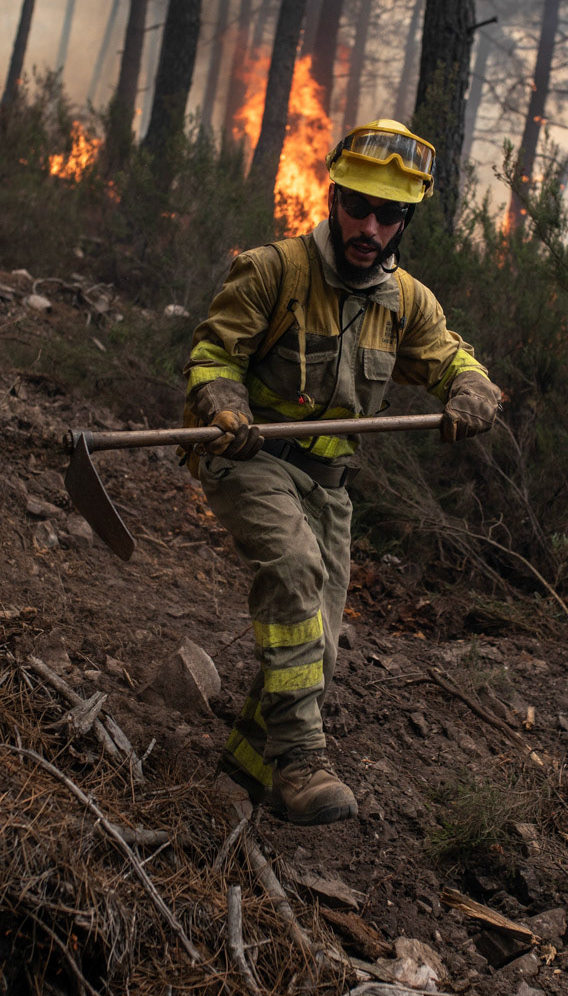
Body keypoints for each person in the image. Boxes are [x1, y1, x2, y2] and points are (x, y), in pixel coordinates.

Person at [183, 119, 503, 825]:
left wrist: (471, 388)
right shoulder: (274, 270)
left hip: (329, 487)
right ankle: (302, 762)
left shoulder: (406, 302)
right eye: (357, 205)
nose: (369, 225)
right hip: (253, 459)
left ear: (405, 221)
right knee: (295, 573)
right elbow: (213, 356)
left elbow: (450, 356)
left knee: (315, 647)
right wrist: (225, 401)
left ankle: (233, 788)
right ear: (332, 198)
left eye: (388, 215)